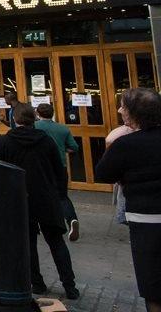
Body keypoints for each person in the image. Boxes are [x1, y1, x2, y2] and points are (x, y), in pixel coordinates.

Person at [0, 103, 78, 300]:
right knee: (56, 242)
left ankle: (37, 283)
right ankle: (70, 286)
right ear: (34, 118)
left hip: (20, 198)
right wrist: (60, 194)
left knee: (28, 243)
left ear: (15, 119)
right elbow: (59, 170)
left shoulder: (6, 141)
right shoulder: (46, 140)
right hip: (46, 197)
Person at [95, 88, 161, 312]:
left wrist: (112, 142)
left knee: (153, 284)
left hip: (146, 220)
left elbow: (103, 174)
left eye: (123, 106)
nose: (119, 110)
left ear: (134, 113)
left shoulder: (126, 144)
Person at [34, 103, 81, 241]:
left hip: (41, 166)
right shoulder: (63, 128)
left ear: (38, 114)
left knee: (41, 195)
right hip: (60, 166)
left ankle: (45, 224)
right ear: (52, 113)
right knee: (62, 196)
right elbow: (74, 147)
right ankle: (72, 219)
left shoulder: (35, 127)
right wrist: (62, 150)